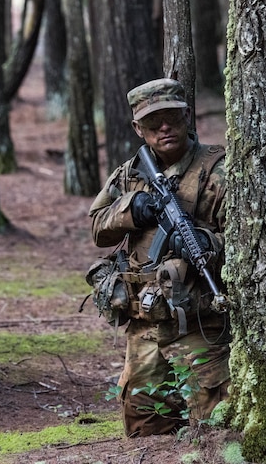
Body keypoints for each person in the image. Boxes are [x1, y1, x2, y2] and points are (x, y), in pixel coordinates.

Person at [87, 78, 230, 437]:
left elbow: (252, 242)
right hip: (144, 329)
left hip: (199, 326)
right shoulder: (130, 174)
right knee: (145, 432)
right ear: (138, 128)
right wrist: (131, 209)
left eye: (172, 118)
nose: (164, 128)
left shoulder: (218, 171)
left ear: (187, 117)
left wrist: (208, 242)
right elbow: (97, 228)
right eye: (153, 122)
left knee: (215, 429)